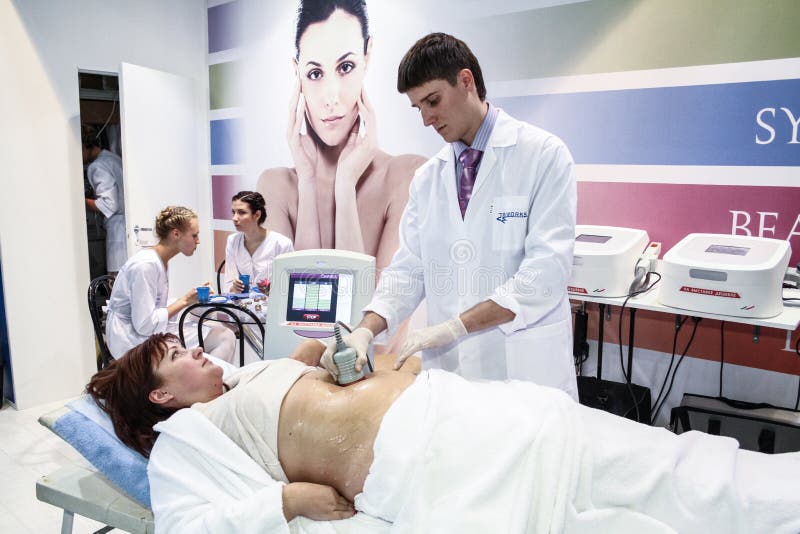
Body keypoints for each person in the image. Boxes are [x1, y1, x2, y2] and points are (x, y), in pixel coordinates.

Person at [87, 333, 800, 533]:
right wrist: (287, 503)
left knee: (671, 467)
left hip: (476, 416)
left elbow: (346, 374)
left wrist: (347, 360)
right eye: (178, 357)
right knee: (645, 499)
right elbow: (185, 527)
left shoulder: (252, 374)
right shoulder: (185, 440)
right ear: (159, 395)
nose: (197, 352)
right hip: (439, 464)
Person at [322, 32, 578, 398]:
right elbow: (408, 271)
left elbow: (546, 273)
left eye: (433, 101)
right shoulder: (429, 178)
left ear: (466, 81)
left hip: (524, 371)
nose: (426, 119)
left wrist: (455, 327)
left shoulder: (543, 156)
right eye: (418, 108)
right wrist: (364, 329)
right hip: (452, 377)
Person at [256, 0, 426, 273]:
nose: (331, 98)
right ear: (297, 72)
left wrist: (345, 187)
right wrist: (307, 183)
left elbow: (379, 314)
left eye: (345, 67)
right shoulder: (275, 186)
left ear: (367, 56)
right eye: (314, 73)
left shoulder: (408, 176)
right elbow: (295, 305)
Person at [105, 206, 236, 363]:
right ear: (176, 234)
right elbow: (145, 325)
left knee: (214, 326)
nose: (198, 241)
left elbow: (154, 307)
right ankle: (207, 385)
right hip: (131, 341)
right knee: (225, 337)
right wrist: (185, 300)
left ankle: (199, 382)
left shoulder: (159, 261)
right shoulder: (146, 265)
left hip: (143, 333)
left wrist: (192, 300)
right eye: (194, 235)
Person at [224, 191, 293, 294]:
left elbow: (289, 285)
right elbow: (228, 284)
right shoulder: (232, 241)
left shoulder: (282, 244)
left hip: (271, 307)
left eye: (241, 212)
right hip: (240, 307)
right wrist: (234, 287)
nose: (234, 218)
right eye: (233, 212)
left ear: (257, 215)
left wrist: (271, 289)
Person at [82, 124, 127, 273]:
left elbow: (108, 205)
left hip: (118, 232)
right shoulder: (113, 158)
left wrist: (81, 200)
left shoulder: (98, 166)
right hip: (125, 229)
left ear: (85, 146)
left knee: (116, 282)